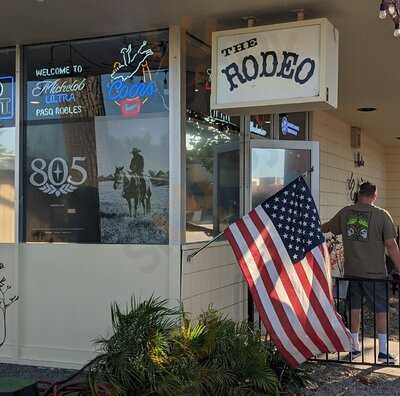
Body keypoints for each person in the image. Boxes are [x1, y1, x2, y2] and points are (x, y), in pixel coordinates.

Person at [322, 182, 400, 363]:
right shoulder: (382, 215)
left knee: (354, 308)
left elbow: (328, 227)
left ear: (358, 195)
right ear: (374, 195)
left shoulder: (346, 212)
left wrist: (312, 228)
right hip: (375, 275)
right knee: (381, 311)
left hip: (352, 272)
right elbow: (391, 246)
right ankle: (383, 352)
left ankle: (354, 348)